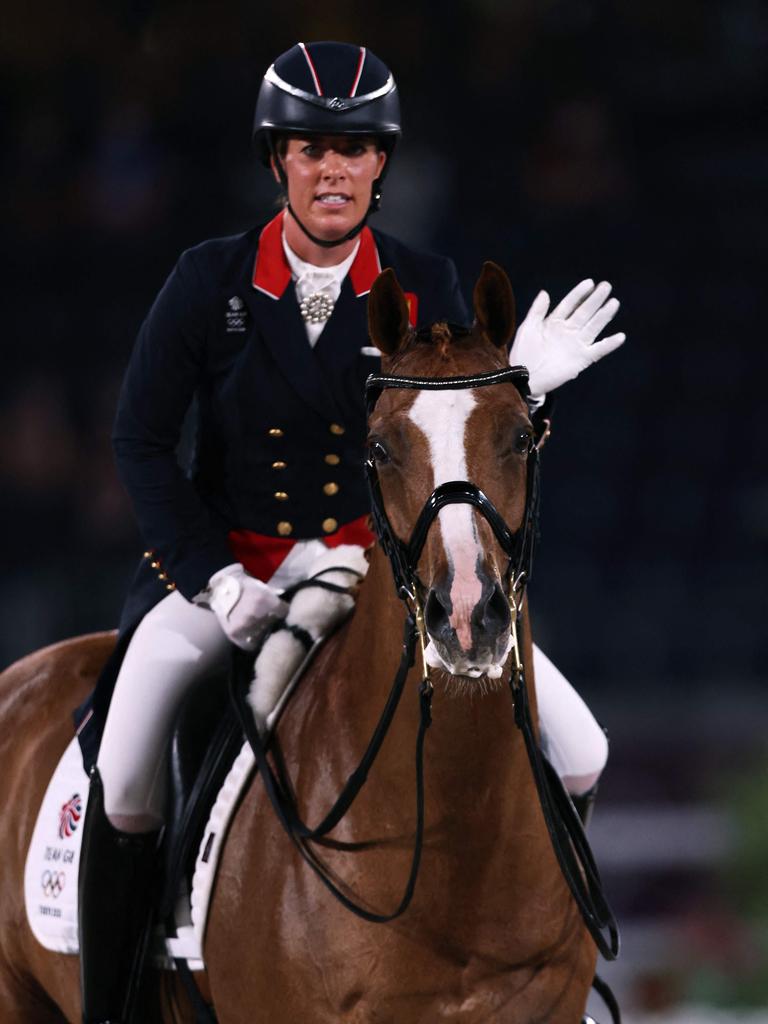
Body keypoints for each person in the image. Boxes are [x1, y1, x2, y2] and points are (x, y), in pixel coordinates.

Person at [74, 41, 625, 1023]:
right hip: (231, 576)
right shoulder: (210, 283)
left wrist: (520, 383)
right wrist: (213, 579)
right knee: (123, 770)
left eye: (356, 150)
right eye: (311, 149)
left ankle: (540, 952)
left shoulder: (426, 279)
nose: (333, 169)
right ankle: (122, 998)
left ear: (381, 164)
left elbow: (463, 439)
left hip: (382, 577)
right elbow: (141, 443)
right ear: (277, 160)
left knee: (581, 748)